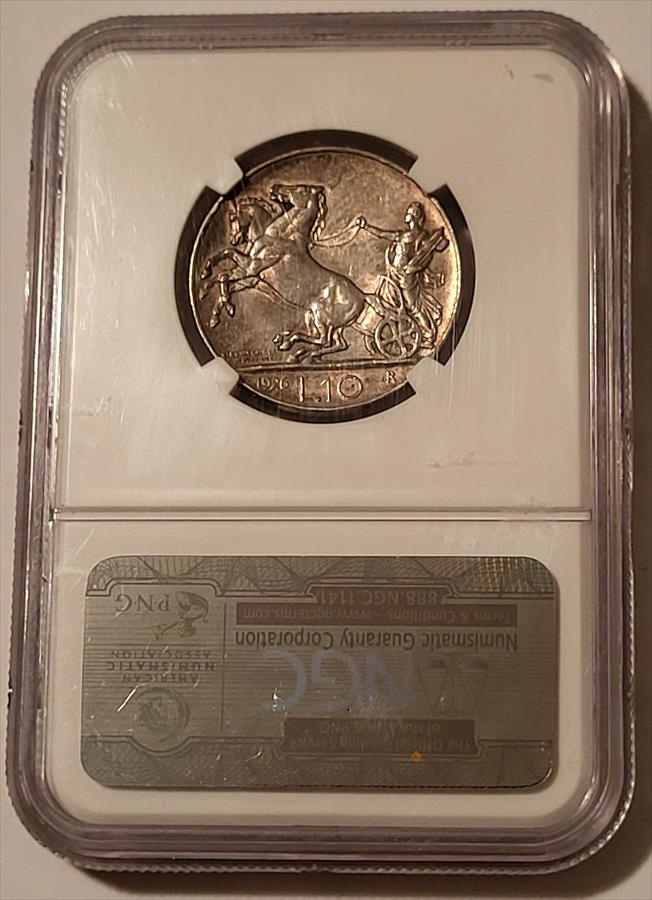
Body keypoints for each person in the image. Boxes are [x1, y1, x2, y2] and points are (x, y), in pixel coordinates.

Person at [356, 201, 448, 350]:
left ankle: (428, 335)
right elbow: (383, 234)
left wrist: (413, 269)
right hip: (395, 273)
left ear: (415, 217)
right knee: (389, 301)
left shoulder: (422, 237)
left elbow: (426, 256)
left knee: (413, 307)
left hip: (407, 278)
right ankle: (388, 330)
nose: (407, 216)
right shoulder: (402, 235)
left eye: (410, 213)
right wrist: (366, 226)